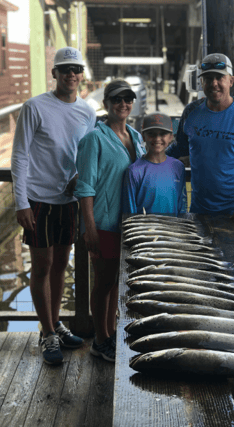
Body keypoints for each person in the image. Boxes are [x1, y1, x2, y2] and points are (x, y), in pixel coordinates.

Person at [11, 46, 96, 365]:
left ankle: (56, 323)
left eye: (76, 70)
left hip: (69, 201)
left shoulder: (87, 111)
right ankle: (46, 332)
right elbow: (20, 155)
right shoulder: (35, 107)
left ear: (81, 75)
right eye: (65, 70)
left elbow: (85, 153)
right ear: (55, 74)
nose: (71, 75)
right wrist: (21, 202)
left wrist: (81, 179)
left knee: (62, 264)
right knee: (42, 265)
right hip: (39, 199)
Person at [74, 79, 145, 362]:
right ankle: (99, 340)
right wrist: (89, 227)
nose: (123, 104)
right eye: (117, 100)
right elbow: (85, 187)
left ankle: (110, 331)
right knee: (103, 282)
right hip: (102, 223)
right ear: (106, 104)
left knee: (116, 281)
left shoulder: (136, 137)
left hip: (126, 224)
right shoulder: (94, 139)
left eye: (128, 99)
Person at [166, 53, 234, 220]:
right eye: (208, 78)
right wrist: (149, 159)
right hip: (199, 209)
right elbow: (179, 147)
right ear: (201, 82)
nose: (213, 83)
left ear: (231, 80)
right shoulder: (191, 112)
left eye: (219, 77)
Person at [122, 112, 187, 216]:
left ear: (171, 137)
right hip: (145, 231)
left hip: (173, 230)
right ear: (143, 136)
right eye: (151, 134)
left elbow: (182, 206)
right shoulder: (134, 171)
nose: (157, 139)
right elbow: (129, 215)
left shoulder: (178, 167)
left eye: (163, 134)